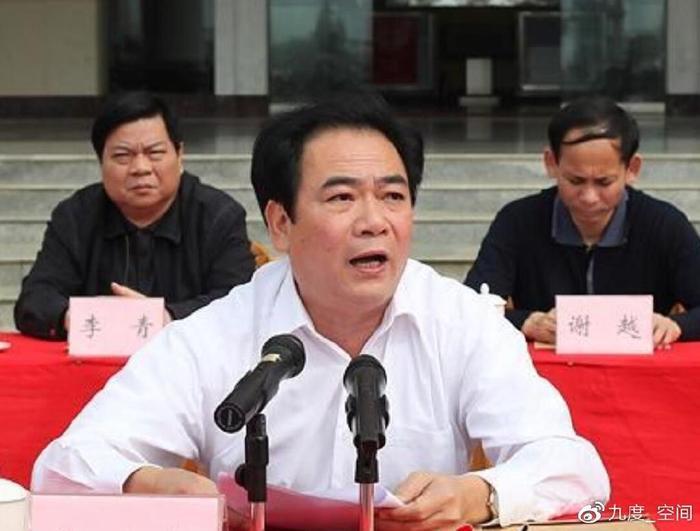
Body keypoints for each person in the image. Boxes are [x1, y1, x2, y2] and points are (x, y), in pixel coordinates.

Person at [32, 93, 609, 529]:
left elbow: (572, 467)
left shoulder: (463, 322)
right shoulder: (215, 333)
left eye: (393, 196)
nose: (374, 221)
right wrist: (147, 483)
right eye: (341, 198)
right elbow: (63, 467)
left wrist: (480, 494)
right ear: (281, 223)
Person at [14, 92, 256, 340]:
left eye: (155, 153)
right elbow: (35, 298)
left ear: (179, 154)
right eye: (122, 156)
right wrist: (76, 317)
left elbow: (239, 302)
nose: (140, 168)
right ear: (101, 161)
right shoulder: (75, 216)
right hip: (94, 360)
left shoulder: (218, 216)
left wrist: (166, 318)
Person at [465, 96, 700, 347]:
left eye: (604, 182)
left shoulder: (664, 225)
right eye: (575, 181)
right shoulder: (518, 222)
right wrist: (526, 322)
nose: (589, 197)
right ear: (551, 163)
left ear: (632, 168)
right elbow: (471, 306)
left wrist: (675, 325)